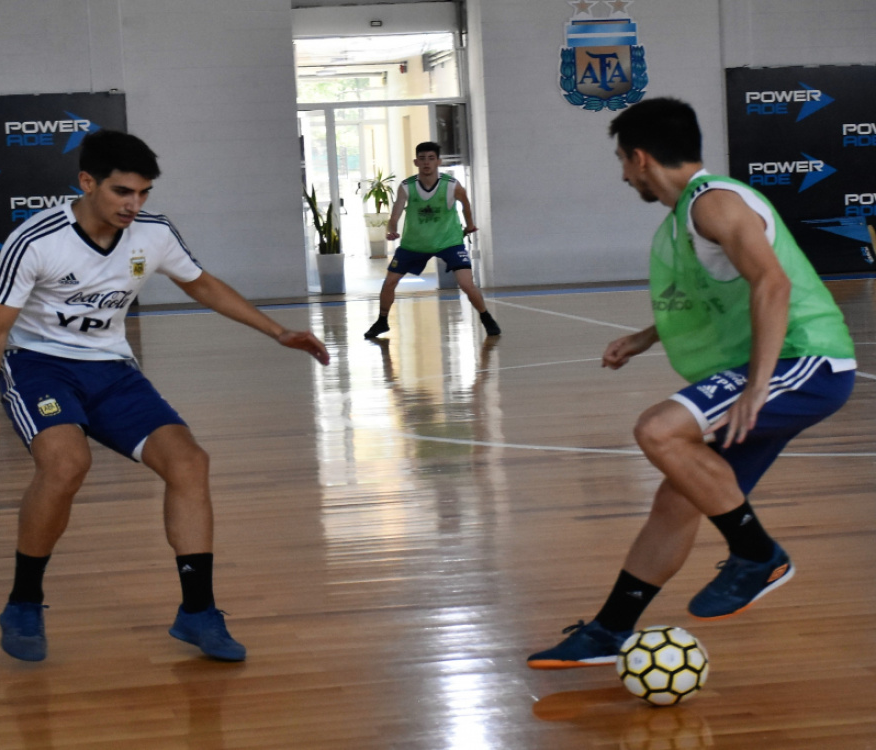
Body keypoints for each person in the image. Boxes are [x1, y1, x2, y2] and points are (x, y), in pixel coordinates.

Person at [0, 130, 330, 663]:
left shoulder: (153, 234)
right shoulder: (37, 240)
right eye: (121, 192)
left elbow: (201, 284)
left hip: (111, 366)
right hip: (38, 366)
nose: (134, 205)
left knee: (189, 462)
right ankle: (23, 600)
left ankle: (197, 613)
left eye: (143, 193)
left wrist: (277, 331)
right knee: (66, 465)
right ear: (87, 183)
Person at [527, 97, 855, 669]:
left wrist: (757, 386)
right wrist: (645, 337)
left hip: (807, 363)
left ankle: (758, 556)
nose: (624, 175)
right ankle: (610, 631)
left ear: (641, 157)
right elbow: (719, 293)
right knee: (677, 499)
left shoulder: (715, 204)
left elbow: (771, 285)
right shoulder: (692, 215)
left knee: (658, 431)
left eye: (623, 162)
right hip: (780, 368)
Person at [363, 142, 501, 339]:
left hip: (449, 241)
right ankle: (382, 321)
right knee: (389, 282)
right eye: (422, 158)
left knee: (466, 283)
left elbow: (466, 205)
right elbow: (394, 215)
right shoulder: (407, 186)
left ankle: (486, 317)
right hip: (415, 243)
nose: (426, 162)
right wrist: (391, 230)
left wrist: (470, 225)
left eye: (431, 158)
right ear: (416, 161)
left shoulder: (452, 185)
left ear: (438, 161)